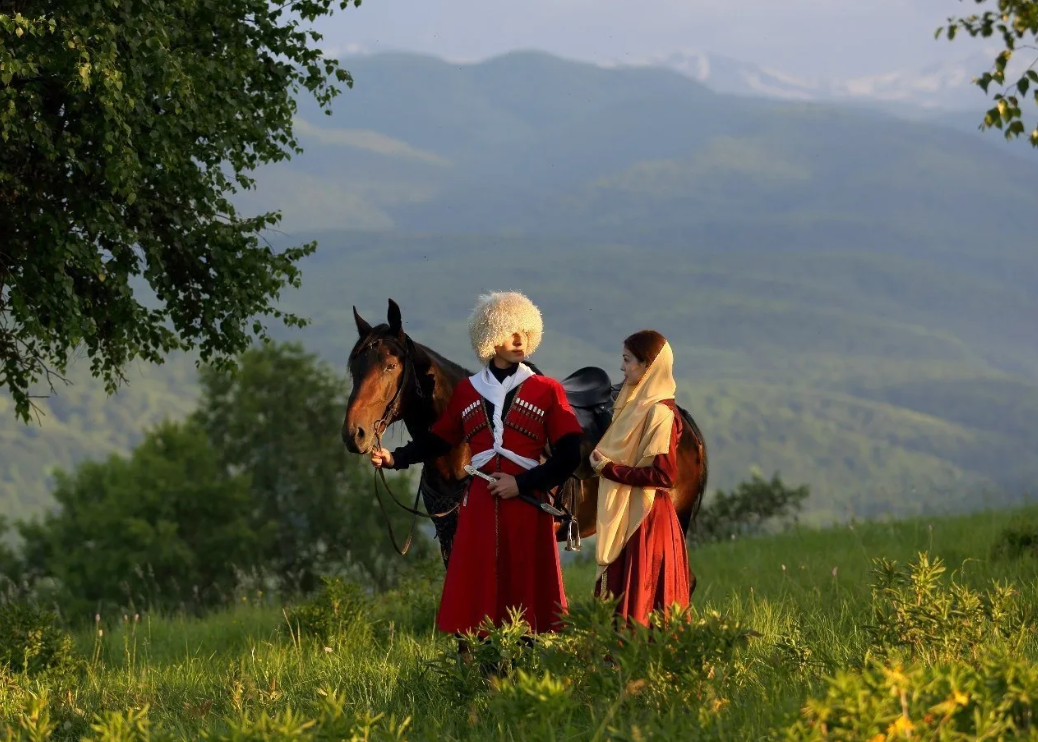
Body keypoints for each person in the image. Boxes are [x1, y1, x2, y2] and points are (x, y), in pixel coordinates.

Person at [370, 291, 584, 637]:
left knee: (529, 602)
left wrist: (522, 484)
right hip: (481, 507)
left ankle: (526, 676)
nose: (519, 340)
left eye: (524, 332)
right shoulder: (468, 392)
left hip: (528, 506)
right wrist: (395, 458)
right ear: (490, 337)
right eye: (509, 331)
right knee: (480, 598)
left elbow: (569, 454)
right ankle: (486, 674)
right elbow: (438, 440)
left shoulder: (547, 390)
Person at [589, 329, 692, 626]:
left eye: (627, 360)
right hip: (633, 512)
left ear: (648, 366)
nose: (622, 368)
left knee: (641, 600)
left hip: (646, 519)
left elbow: (663, 475)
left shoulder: (660, 413)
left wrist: (608, 469)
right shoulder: (636, 406)